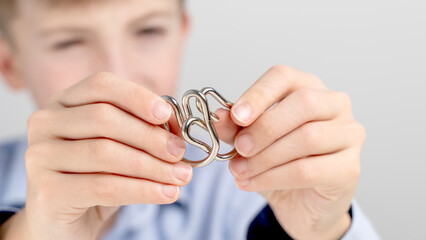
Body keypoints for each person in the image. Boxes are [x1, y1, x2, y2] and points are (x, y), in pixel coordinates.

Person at [0, 0, 380, 239]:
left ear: (181, 35)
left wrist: (321, 232)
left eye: (148, 29)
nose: (117, 73)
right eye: (68, 42)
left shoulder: (251, 190)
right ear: (9, 63)